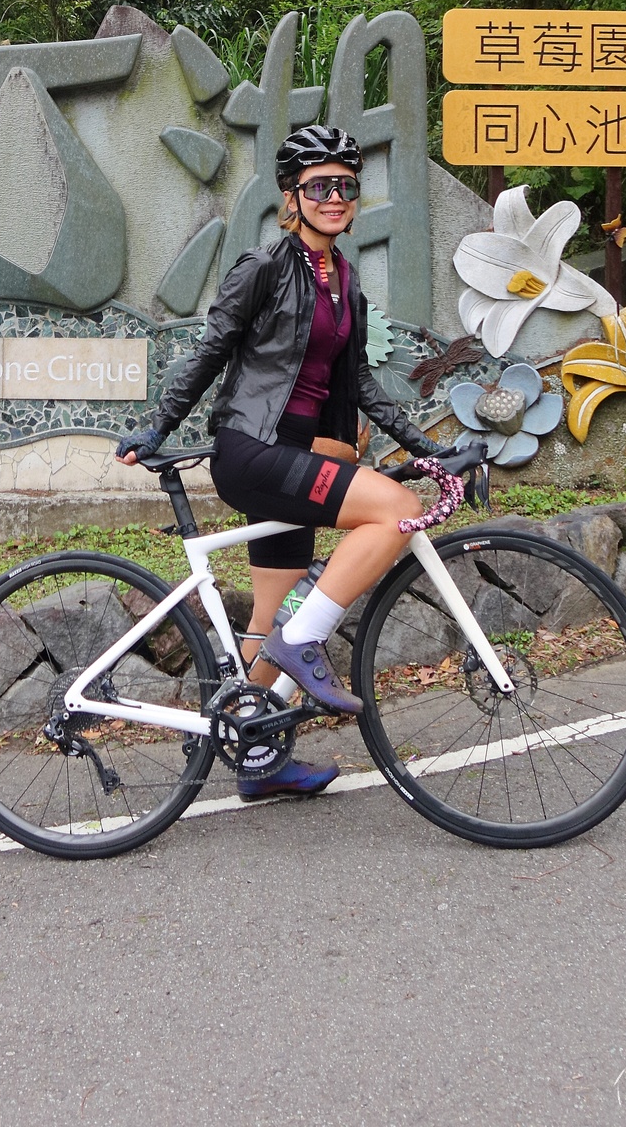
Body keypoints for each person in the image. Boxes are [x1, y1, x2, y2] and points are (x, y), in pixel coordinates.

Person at [117, 125, 436, 799]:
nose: (334, 197)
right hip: (255, 450)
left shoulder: (343, 280)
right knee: (397, 511)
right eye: (319, 186)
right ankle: (303, 646)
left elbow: (359, 385)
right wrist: (157, 425)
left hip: (299, 454)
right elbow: (210, 351)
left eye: (345, 186)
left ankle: (254, 751)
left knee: (272, 618)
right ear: (290, 197)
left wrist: (426, 446)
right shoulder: (262, 267)